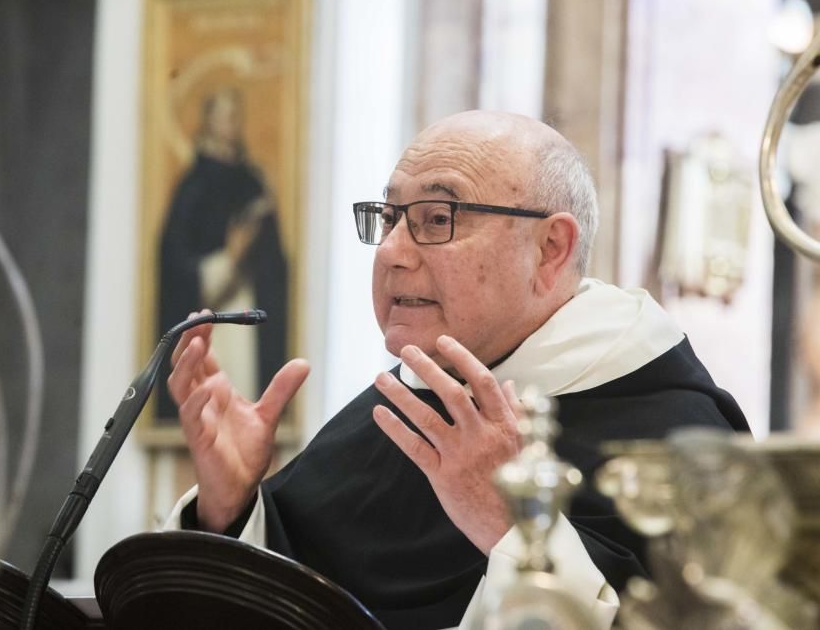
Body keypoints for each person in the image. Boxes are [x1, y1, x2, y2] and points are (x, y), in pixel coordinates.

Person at [162, 110, 749, 629]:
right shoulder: (395, 412)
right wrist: (230, 510)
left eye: (438, 218)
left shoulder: (678, 436)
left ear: (551, 249)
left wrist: (512, 526)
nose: (392, 250)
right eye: (389, 217)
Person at [156, 87, 288, 420]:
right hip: (215, 314)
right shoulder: (193, 188)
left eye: (235, 116)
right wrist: (229, 258)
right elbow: (174, 263)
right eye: (225, 116)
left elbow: (275, 263)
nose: (232, 124)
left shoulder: (253, 182)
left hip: (248, 312)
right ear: (209, 123)